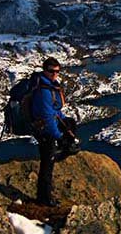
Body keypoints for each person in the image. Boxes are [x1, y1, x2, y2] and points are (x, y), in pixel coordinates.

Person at [31, 57, 79, 206]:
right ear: (44, 70)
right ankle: (44, 199)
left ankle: (62, 151)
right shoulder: (44, 91)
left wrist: (65, 123)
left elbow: (55, 111)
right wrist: (59, 137)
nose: (54, 74)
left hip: (46, 124)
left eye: (57, 71)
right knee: (47, 164)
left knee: (70, 123)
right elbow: (47, 118)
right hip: (42, 129)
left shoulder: (50, 86)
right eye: (51, 71)